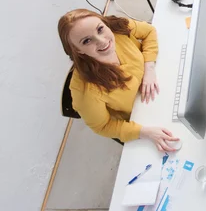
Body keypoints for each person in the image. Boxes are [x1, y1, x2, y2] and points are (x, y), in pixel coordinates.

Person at [58, 9, 178, 151]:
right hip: (144, 114)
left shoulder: (118, 28)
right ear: (78, 50)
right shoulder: (85, 91)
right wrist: (145, 132)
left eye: (100, 29)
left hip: (161, 82)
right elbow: (103, 126)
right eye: (87, 41)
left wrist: (149, 68)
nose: (102, 41)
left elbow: (149, 32)